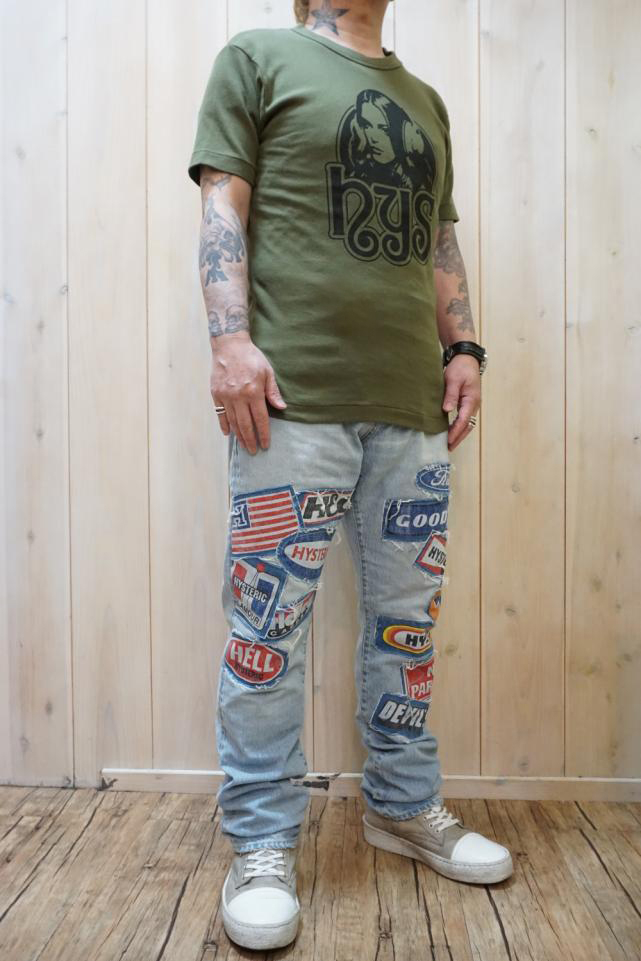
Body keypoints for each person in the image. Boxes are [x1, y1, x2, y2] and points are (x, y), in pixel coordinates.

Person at [188, 0, 512, 950]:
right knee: (266, 629)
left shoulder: (424, 100)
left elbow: (437, 239)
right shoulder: (258, 58)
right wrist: (228, 341)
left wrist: (465, 346)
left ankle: (402, 807)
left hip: (412, 408)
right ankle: (261, 842)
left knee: (407, 628)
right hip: (290, 399)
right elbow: (222, 205)